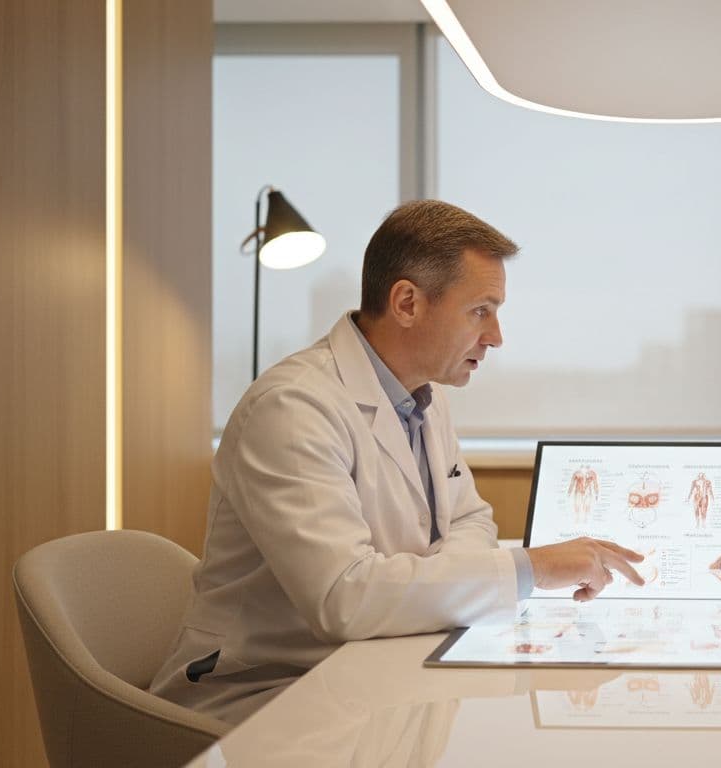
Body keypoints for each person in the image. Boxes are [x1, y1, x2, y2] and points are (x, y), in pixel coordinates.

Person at [151, 200, 644, 724]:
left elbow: (469, 518)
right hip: (261, 693)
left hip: (373, 666)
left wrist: (446, 581)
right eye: (481, 310)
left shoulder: (424, 399)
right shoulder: (291, 409)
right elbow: (345, 597)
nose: (496, 336)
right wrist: (533, 568)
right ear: (407, 303)